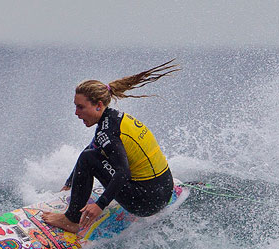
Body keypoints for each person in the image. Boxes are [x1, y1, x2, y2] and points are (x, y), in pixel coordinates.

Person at [41, 60, 180, 233]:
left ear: (98, 105)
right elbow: (93, 146)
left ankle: (71, 220)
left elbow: (122, 172)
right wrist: (70, 182)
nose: (76, 113)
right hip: (165, 190)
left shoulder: (107, 133)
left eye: (80, 107)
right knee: (92, 153)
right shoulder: (114, 119)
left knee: (89, 158)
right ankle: (75, 198)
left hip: (146, 203)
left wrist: (100, 205)